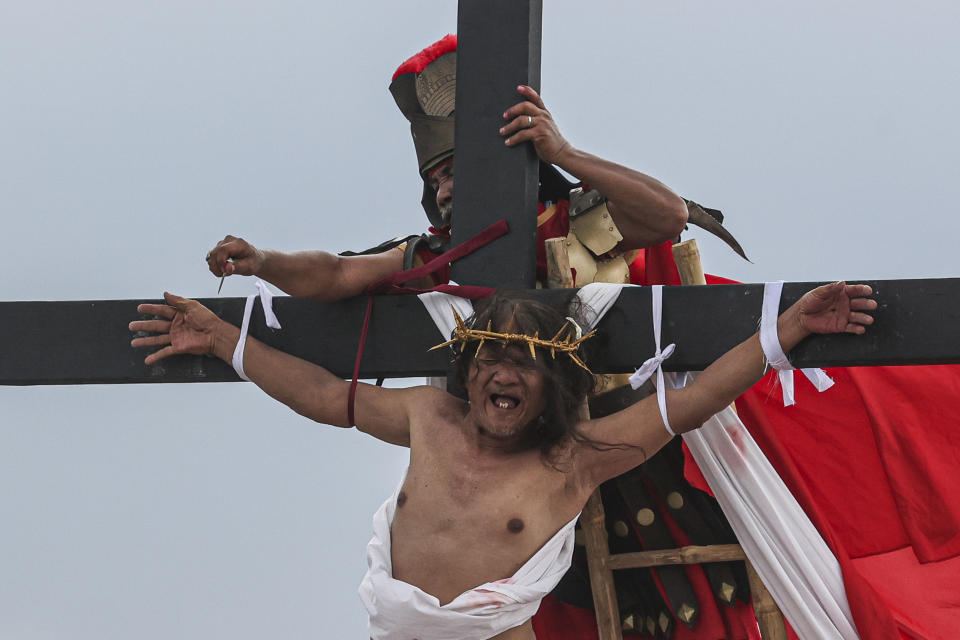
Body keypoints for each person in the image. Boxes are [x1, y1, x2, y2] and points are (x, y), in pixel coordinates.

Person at [129, 282, 876, 639]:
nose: (501, 376)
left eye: (522, 365)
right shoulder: (428, 416)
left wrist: (783, 336)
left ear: (553, 386)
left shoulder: (575, 462)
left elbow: (697, 398)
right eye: (488, 360)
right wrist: (224, 340)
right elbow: (325, 394)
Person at [202, 35, 696, 299]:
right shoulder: (442, 255)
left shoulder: (571, 221)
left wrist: (562, 153)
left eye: (454, 172)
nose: (442, 192)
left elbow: (668, 215)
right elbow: (335, 275)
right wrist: (264, 261)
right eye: (434, 181)